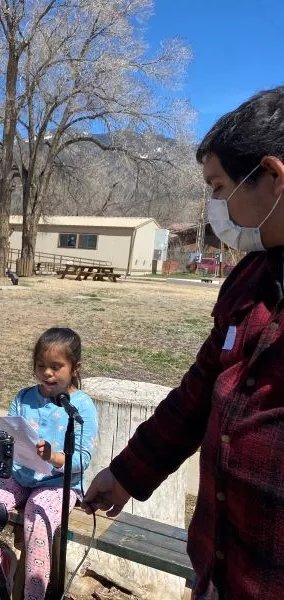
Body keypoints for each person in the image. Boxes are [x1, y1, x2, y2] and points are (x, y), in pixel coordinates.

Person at [83, 86, 284, 600]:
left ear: (272, 177)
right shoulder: (249, 280)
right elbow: (198, 393)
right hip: (221, 571)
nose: (214, 205)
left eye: (219, 187)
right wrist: (128, 471)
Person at [0, 328, 98, 600]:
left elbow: (82, 459)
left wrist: (52, 456)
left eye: (56, 367)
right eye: (41, 366)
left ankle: (33, 594)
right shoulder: (23, 398)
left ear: (75, 368)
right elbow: (9, 434)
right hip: (19, 474)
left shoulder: (81, 406)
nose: (47, 373)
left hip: (57, 484)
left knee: (37, 520)